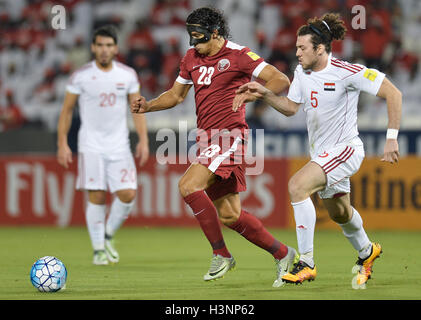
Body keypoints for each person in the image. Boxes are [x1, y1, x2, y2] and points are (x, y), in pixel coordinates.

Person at [131, 7, 298, 287]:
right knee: (230, 214)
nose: (195, 45)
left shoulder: (240, 55)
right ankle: (284, 254)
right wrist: (148, 106)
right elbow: (175, 95)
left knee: (187, 186)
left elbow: (280, 79)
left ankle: (221, 254)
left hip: (230, 136)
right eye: (192, 39)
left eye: (200, 39)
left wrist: (257, 91)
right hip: (208, 140)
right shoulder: (191, 58)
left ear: (216, 33)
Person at [235, 13, 402, 289]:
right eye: (297, 47)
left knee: (297, 186)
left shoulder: (347, 72)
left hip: (346, 150)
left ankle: (306, 263)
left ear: (320, 48)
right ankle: (366, 251)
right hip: (323, 155)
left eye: (302, 48)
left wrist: (391, 138)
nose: (297, 52)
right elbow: (290, 108)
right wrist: (265, 94)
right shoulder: (301, 72)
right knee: (339, 213)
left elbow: (393, 93)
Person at [57, 25, 150, 265]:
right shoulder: (81, 76)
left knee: (128, 193)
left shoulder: (127, 75)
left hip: (119, 145)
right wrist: (62, 143)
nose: (104, 50)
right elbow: (66, 111)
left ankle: (107, 234)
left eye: (109, 45)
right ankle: (98, 249)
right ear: (93, 47)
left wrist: (143, 139)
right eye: (100, 45)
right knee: (97, 197)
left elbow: (137, 108)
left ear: (116, 48)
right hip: (91, 145)